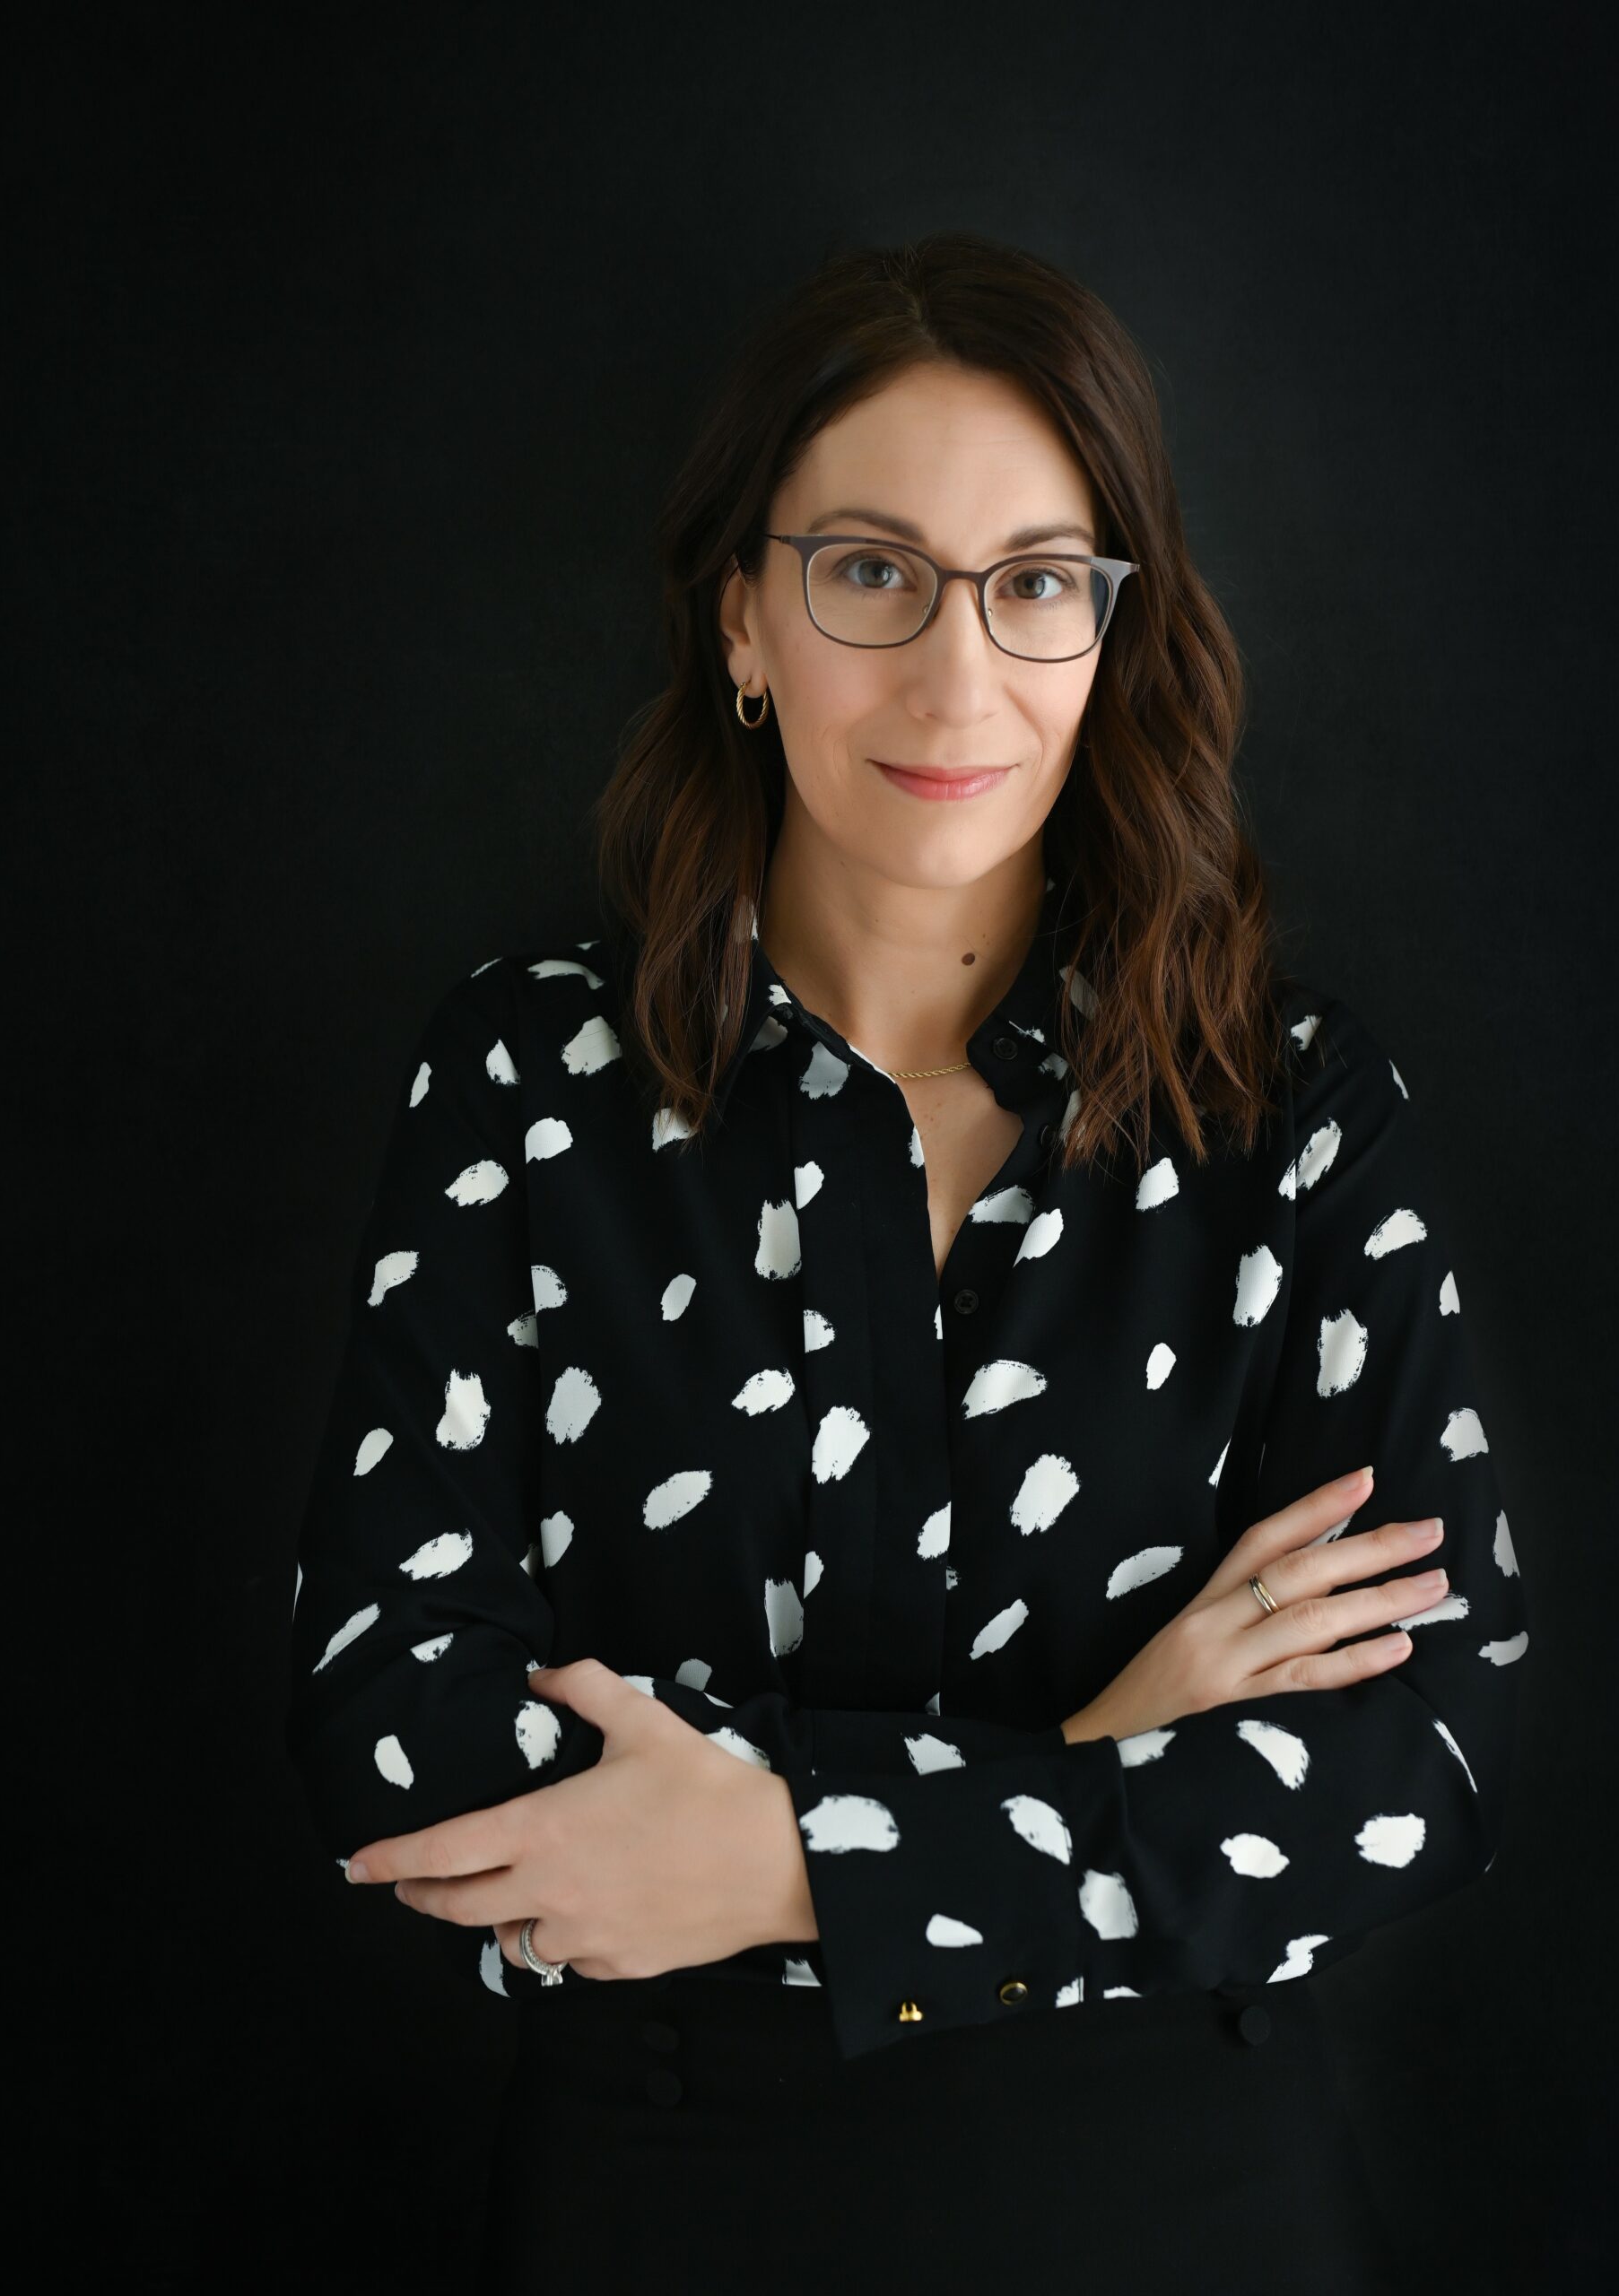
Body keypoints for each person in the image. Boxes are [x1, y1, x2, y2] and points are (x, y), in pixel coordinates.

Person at [283, 230, 1529, 2295]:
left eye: (1035, 583)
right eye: (871, 571)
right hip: (666, 2195)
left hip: (1182, 2198)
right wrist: (1099, 1752)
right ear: (743, 615)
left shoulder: (1286, 1107)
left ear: (1113, 631)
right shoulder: (525, 1081)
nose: (959, 680)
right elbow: (393, 1728)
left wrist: (780, 1853)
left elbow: (1415, 1764)